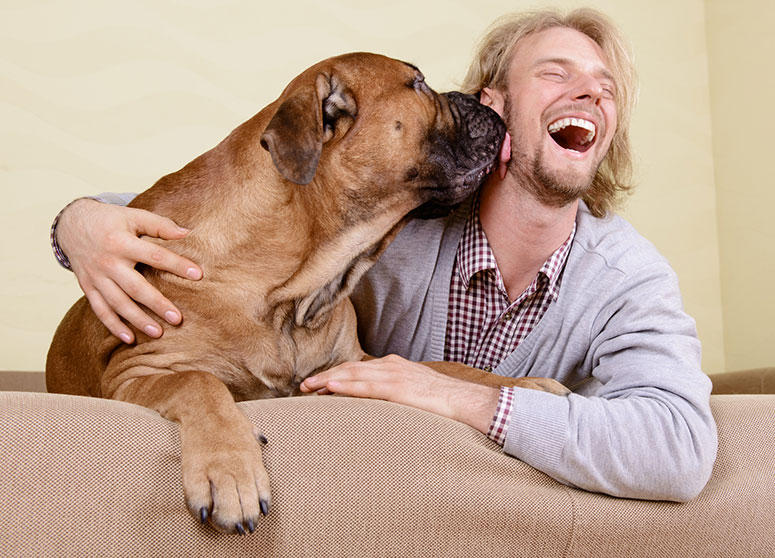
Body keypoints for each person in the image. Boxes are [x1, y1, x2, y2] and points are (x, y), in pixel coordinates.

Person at [51, 8, 717, 502]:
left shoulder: (627, 276)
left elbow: (680, 450)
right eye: (556, 73)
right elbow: (208, 218)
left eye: (605, 86)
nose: (591, 92)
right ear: (492, 108)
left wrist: (463, 397)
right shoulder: (380, 222)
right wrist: (76, 222)